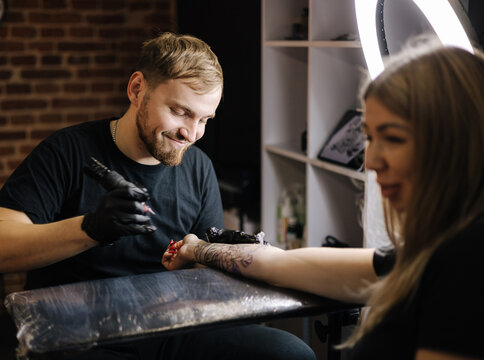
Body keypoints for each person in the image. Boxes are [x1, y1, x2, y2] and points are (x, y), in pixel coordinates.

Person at [0, 32, 315, 360]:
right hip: (81, 331)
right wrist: (90, 229)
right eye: (180, 111)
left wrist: (220, 254)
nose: (191, 133)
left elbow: (202, 271)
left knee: (289, 352)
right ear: (136, 89)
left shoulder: (198, 167)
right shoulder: (66, 151)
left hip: (172, 326)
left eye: (204, 119)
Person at [163, 39, 484, 360]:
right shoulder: (422, 255)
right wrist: (198, 249)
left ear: (458, 141)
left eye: (394, 138)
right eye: (370, 137)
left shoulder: (465, 261)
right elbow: (280, 263)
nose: (370, 161)